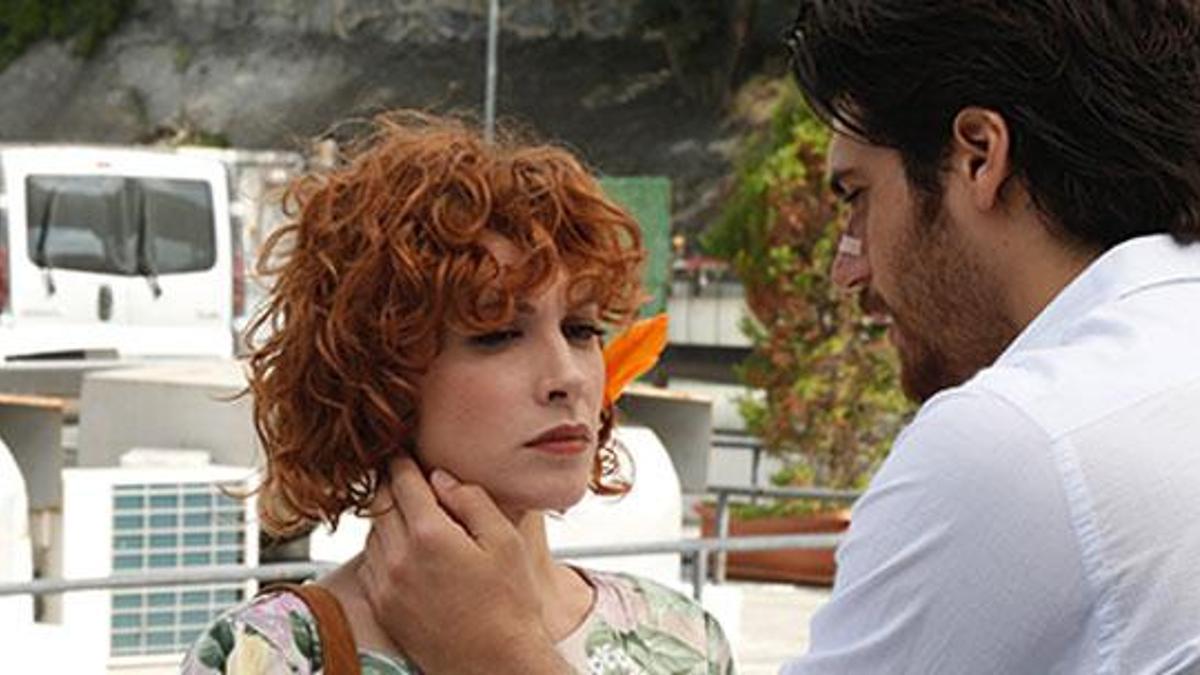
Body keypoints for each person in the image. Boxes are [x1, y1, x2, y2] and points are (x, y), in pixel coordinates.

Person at [348, 2, 1200, 674]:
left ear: (979, 156)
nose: (846, 267)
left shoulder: (1017, 443)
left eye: (857, 197)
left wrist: (497, 653)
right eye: (497, 332)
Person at [179, 111, 734, 674]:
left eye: (581, 329)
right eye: (498, 334)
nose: (567, 376)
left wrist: (500, 656)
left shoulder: (682, 640)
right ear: (377, 374)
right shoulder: (270, 655)